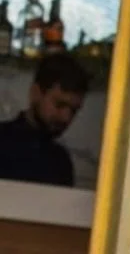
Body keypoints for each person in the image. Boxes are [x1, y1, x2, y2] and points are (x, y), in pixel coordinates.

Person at [0, 52, 89, 188]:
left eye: (74, 110)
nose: (66, 117)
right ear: (35, 93)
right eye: (59, 105)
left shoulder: (61, 162)